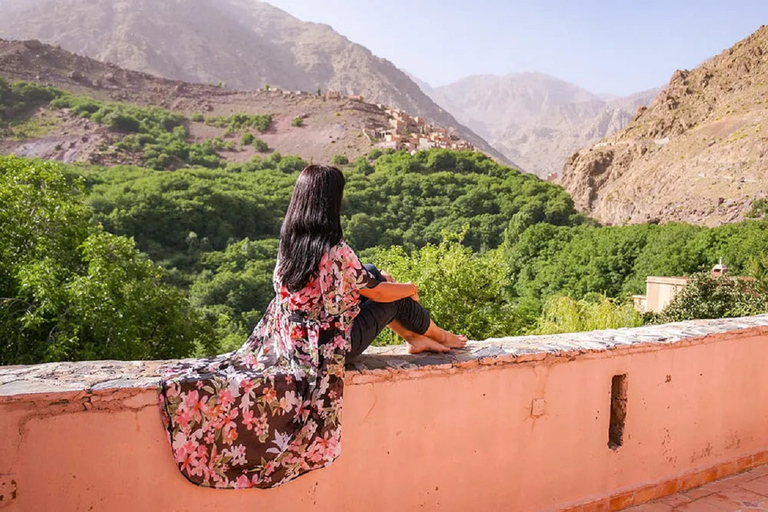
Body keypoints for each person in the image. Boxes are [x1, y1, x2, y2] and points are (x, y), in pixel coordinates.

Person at [158, 164, 467, 489]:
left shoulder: (290, 246)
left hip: (295, 343)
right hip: (330, 348)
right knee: (395, 298)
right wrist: (409, 287)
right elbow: (377, 293)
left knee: (372, 271)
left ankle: (415, 338)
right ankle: (439, 335)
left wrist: (379, 280)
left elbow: (351, 282)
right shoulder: (337, 252)